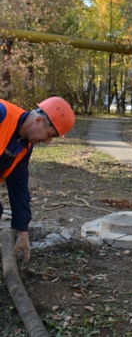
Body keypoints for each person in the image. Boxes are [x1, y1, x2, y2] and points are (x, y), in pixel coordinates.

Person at [0, 97, 76, 267]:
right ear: (39, 120)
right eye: (50, 135)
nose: (48, 142)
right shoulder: (2, 114)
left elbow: (18, 188)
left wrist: (22, 230)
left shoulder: (23, 147)